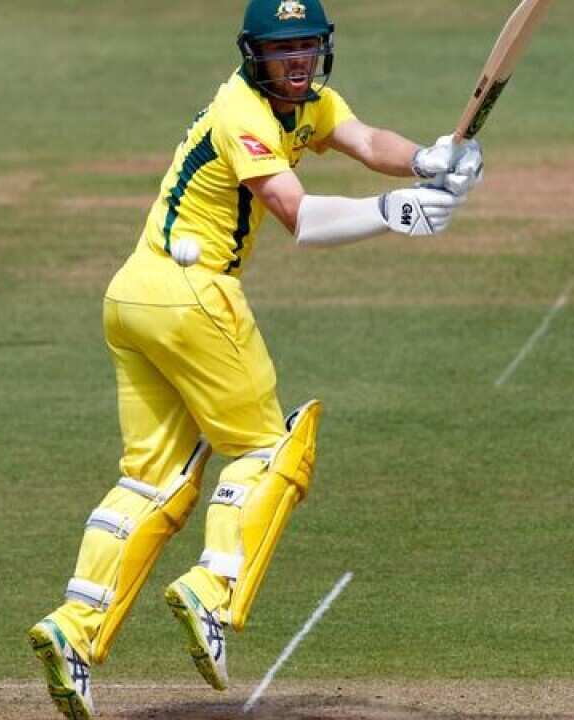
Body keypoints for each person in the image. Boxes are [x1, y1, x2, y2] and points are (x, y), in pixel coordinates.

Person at [27, 0, 484, 717]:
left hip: (134, 296)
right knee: (272, 453)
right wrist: (393, 213)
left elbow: (364, 139)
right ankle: (212, 589)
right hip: (192, 293)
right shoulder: (243, 111)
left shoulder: (307, 101)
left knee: (156, 481)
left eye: (307, 47)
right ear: (255, 56)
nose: (297, 62)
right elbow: (296, 214)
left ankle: (73, 631)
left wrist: (429, 158)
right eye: (284, 51)